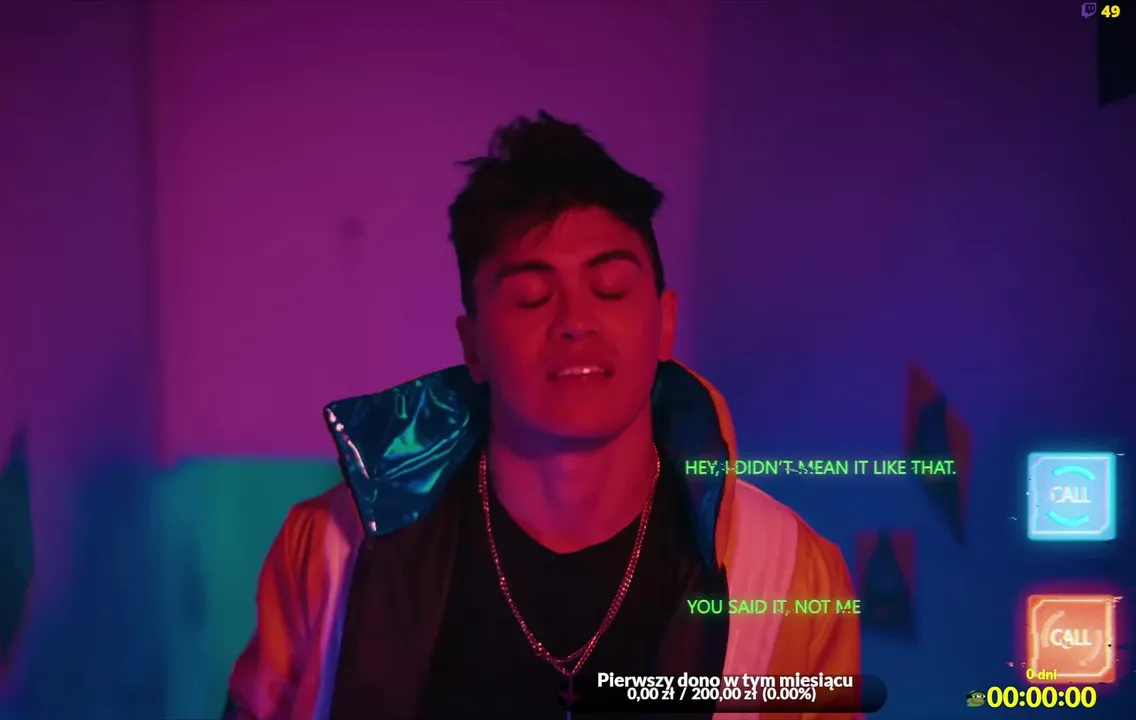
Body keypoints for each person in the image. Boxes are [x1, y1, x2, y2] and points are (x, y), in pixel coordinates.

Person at [223, 111, 860, 720]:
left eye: (610, 289)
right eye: (532, 297)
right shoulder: (331, 549)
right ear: (472, 345)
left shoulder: (789, 573)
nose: (575, 322)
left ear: (664, 322)